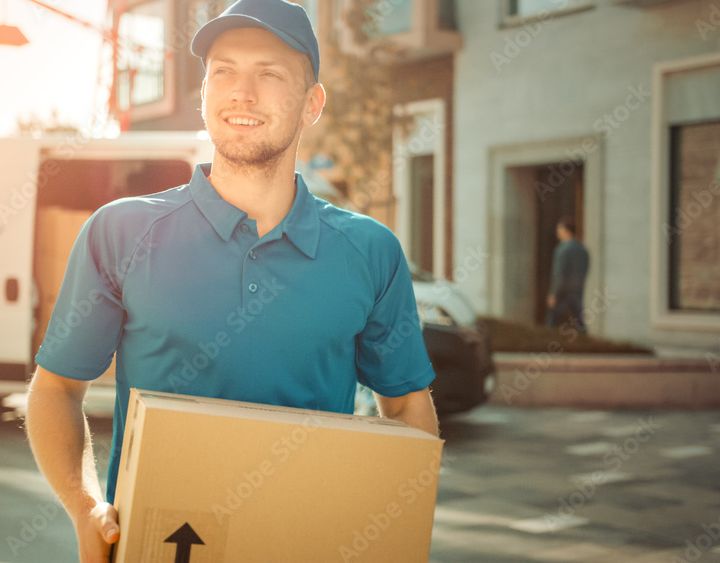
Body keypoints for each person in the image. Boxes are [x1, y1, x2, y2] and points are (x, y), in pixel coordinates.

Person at [24, 1, 439, 561]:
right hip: (160, 547)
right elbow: (56, 389)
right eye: (223, 71)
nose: (241, 92)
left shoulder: (370, 252)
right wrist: (84, 505)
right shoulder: (121, 233)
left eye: (269, 74)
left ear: (312, 103)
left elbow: (407, 402)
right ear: (203, 93)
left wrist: (394, 526)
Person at [546, 216, 590, 333]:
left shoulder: (562, 249)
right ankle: (584, 343)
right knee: (579, 320)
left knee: (552, 319)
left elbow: (559, 273)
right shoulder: (583, 249)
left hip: (563, 290)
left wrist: (553, 293)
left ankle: (549, 343)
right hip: (577, 289)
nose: (557, 233)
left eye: (559, 230)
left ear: (566, 231)